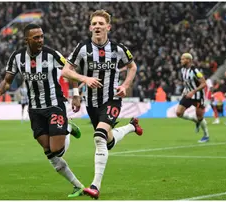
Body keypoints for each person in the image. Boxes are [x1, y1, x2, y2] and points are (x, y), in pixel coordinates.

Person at [0, 23, 89, 198]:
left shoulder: (51, 54)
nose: (40, 40)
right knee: (49, 151)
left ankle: (67, 127)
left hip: (54, 105)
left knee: (57, 149)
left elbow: (70, 71)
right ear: (26, 39)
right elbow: (7, 80)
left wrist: (76, 94)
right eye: (36, 37)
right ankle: (78, 185)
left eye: (42, 36)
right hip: (35, 109)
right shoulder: (17, 58)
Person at [61, 9, 143, 199]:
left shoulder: (118, 49)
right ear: (90, 27)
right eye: (94, 24)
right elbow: (66, 71)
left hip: (112, 98)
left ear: (108, 27)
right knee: (108, 141)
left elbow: (132, 66)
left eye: (100, 24)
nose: (97, 26)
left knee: (98, 137)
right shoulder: (82, 48)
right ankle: (131, 127)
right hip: (91, 102)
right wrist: (82, 83)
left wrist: (125, 85)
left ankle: (95, 187)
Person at [175, 53, 210, 143]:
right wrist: (185, 90)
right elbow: (186, 82)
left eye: (183, 59)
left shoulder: (195, 71)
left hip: (198, 96)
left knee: (200, 116)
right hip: (188, 94)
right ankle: (195, 121)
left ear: (188, 60)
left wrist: (193, 91)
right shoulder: (182, 70)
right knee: (179, 113)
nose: (181, 61)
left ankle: (206, 135)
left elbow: (204, 84)